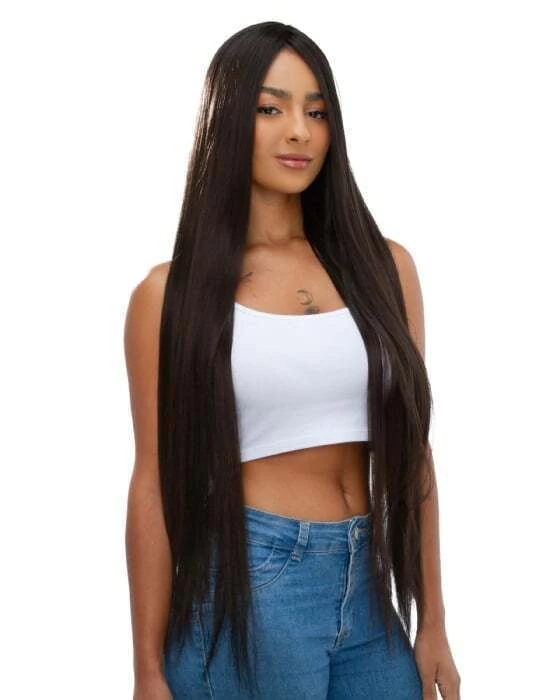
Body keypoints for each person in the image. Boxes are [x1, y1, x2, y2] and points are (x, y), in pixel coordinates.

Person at [124, 20, 461, 700]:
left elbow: (414, 455)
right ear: (227, 121)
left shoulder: (385, 269)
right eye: (270, 109)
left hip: (368, 586)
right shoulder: (171, 295)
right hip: (252, 585)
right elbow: (153, 483)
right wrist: (147, 671)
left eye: (317, 111)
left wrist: (433, 623)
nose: (300, 132)